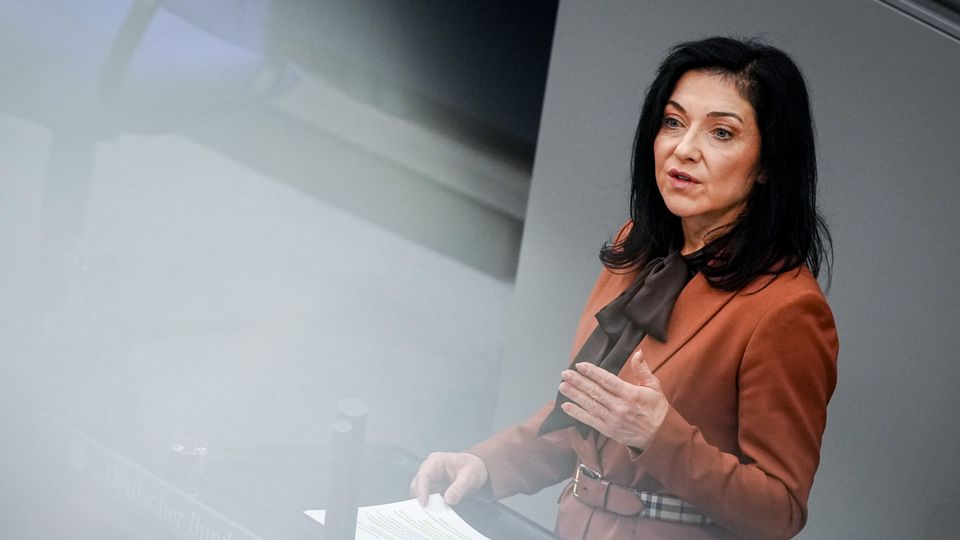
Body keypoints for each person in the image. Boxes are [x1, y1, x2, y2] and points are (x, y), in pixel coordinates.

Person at [410, 36, 838, 540]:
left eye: (721, 133)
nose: (684, 149)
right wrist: (486, 465)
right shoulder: (635, 246)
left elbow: (780, 511)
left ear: (767, 163)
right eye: (673, 122)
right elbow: (587, 417)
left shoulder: (787, 310)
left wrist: (660, 435)